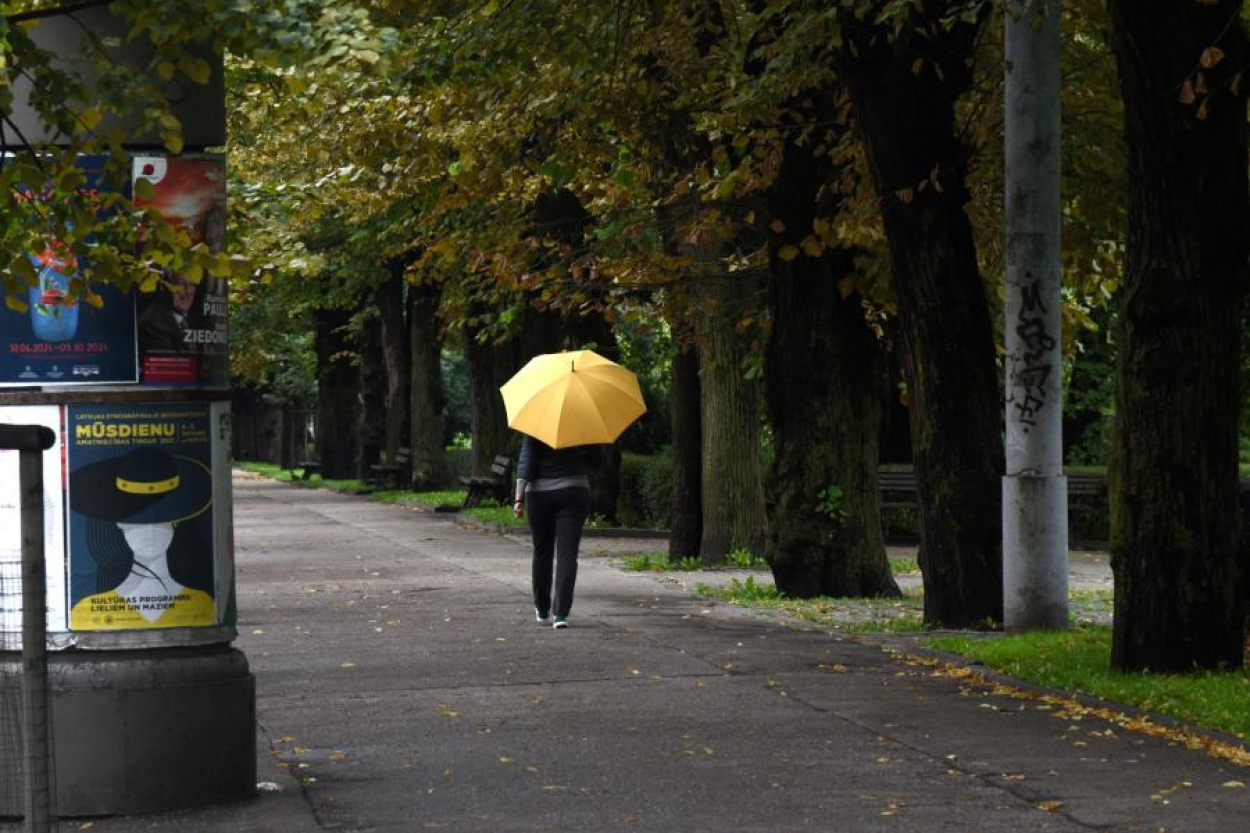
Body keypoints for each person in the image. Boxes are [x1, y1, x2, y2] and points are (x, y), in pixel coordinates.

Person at [68, 446, 215, 630]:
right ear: (120, 526)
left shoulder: (202, 603)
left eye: (161, 522)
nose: (149, 532)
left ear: (175, 524)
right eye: (137, 523)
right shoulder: (87, 608)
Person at [512, 434, 594, 629]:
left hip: (540, 494)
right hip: (574, 491)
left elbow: (527, 459)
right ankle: (561, 614)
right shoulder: (583, 423)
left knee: (542, 552)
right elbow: (596, 460)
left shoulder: (537, 422)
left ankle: (542, 610)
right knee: (568, 554)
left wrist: (518, 498)